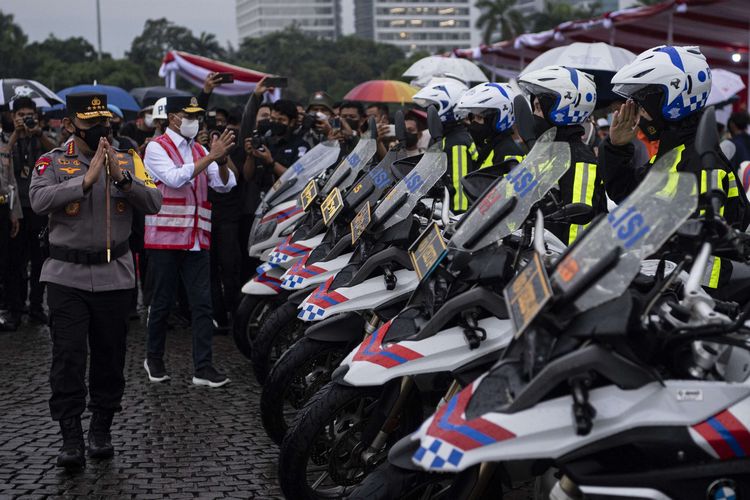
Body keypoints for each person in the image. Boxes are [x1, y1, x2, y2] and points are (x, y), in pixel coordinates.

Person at [29, 92, 162, 470]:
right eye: (91, 124)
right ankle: (70, 434)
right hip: (65, 275)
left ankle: (101, 428)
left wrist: (121, 180)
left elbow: (154, 202)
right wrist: (84, 181)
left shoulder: (127, 159)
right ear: (70, 125)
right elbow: (38, 201)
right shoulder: (52, 162)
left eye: (105, 122)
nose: (102, 129)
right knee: (68, 356)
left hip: (114, 276)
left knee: (109, 358)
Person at [603, 45, 747, 289]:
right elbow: (627, 194)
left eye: (642, 102)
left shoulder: (699, 161)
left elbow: (699, 250)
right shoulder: (672, 155)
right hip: (666, 284)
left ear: (672, 98)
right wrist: (616, 147)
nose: (637, 112)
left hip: (697, 295)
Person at [143, 95, 237, 388]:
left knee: (203, 305)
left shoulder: (197, 148)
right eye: (189, 116)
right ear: (173, 118)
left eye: (197, 116)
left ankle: (203, 367)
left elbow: (225, 184)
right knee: (161, 303)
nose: (195, 121)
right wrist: (210, 157)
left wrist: (221, 162)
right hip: (166, 238)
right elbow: (174, 178)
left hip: (196, 239)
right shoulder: (156, 148)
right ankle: (154, 358)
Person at [518, 65, 606, 245]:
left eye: (538, 107)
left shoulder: (580, 159)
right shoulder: (546, 152)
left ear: (560, 111)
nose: (534, 115)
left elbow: (578, 227)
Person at [5, 97, 57, 329]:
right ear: (12, 116)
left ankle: (36, 306)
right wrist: (16, 134)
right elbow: (3, 157)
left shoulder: (41, 137)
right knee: (14, 261)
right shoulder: (6, 138)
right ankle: (16, 308)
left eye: (29, 114)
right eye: (20, 114)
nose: (25, 118)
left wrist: (37, 133)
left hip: (39, 207)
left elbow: (58, 153)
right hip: (14, 209)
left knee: (39, 260)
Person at [413, 78, 478, 213]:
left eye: (434, 108)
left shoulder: (456, 143)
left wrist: (453, 223)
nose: (429, 114)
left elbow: (460, 194)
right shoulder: (447, 137)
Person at [457, 82, 525, 175]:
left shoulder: (509, 155)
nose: (473, 123)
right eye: (472, 118)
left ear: (498, 118)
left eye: (479, 118)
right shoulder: (488, 148)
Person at [246, 98, 310, 179]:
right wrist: (249, 156)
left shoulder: (300, 145)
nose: (276, 122)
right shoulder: (263, 142)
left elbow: (295, 176)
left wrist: (271, 162)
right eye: (273, 119)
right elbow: (247, 176)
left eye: (281, 120)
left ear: (292, 122)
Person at [0, 107, 22, 323]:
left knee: (4, 261)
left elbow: (10, 180)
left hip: (3, 208)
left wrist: (14, 213)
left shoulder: (4, 143)